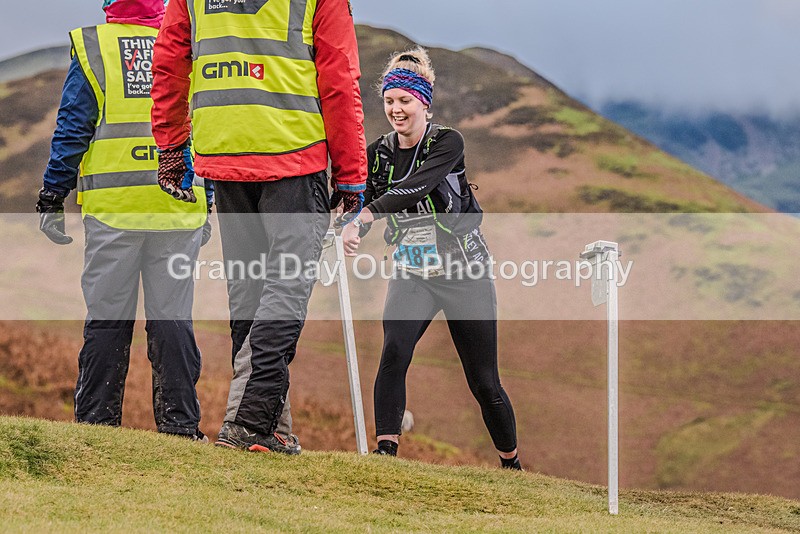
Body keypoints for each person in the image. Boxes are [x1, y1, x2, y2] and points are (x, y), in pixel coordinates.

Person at [150, 0, 367, 452]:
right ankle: (247, 422)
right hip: (294, 151)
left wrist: (172, 147)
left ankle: (274, 429)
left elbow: (170, 61)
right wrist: (350, 175)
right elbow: (339, 81)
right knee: (284, 290)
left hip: (226, 153)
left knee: (250, 294)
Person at [35, 0, 210, 440]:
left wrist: (53, 194)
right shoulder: (190, 42)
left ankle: (96, 427)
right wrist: (211, 204)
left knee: (107, 319)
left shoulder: (95, 47)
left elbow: (74, 126)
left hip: (114, 211)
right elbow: (210, 127)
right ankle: (181, 427)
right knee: (172, 319)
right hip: (179, 207)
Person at [341, 47, 522, 470]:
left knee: (483, 381)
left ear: (423, 102)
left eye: (404, 100)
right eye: (388, 101)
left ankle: (511, 465)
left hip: (465, 272)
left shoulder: (447, 143)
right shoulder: (380, 152)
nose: (395, 110)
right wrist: (351, 222)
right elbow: (361, 198)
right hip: (413, 271)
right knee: (394, 351)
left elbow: (416, 187)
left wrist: (366, 215)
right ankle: (385, 454)